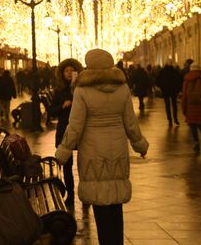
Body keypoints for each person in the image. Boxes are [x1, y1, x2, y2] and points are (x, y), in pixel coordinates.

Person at [55, 49, 148, 245]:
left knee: (100, 201)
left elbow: (75, 126)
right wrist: (140, 145)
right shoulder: (122, 88)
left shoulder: (82, 90)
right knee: (115, 201)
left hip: (92, 152)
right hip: (117, 150)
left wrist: (63, 151)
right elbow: (130, 122)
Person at [48, 58, 83, 208]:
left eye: (72, 71)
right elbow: (51, 111)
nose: (69, 74)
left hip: (81, 130)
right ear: (62, 73)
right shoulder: (59, 90)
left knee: (84, 165)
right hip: (64, 130)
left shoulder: (81, 89)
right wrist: (63, 106)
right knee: (66, 165)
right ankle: (70, 194)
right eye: (66, 71)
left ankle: (85, 194)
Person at [182, 64, 201, 152]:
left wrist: (183, 108)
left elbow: (184, 96)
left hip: (190, 106)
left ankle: (196, 142)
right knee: (200, 124)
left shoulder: (186, 80)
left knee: (192, 125)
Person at [156, 59, 183, 126]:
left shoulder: (162, 71)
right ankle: (175, 119)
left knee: (167, 105)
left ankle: (170, 120)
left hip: (165, 91)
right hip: (173, 91)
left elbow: (157, 80)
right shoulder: (174, 71)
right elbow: (179, 80)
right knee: (174, 105)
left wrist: (161, 87)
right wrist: (178, 89)